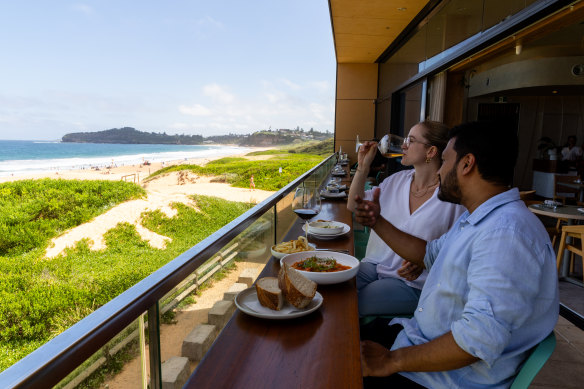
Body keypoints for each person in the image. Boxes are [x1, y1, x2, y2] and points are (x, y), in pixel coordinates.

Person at [354, 121, 559, 388]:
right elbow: (428, 253)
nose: (439, 171)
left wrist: (391, 361)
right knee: (339, 339)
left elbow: (477, 339)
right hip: (419, 340)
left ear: (467, 164)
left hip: (440, 378)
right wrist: (376, 221)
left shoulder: (507, 234)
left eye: (445, 161)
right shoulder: (479, 218)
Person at [347, 121, 465, 317]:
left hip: (413, 282)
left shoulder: (451, 197)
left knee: (352, 304)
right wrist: (362, 168)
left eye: (410, 140)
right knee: (335, 286)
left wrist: (424, 260)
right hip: (376, 265)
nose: (403, 145)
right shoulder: (396, 180)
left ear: (431, 151)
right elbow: (354, 206)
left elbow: (459, 246)